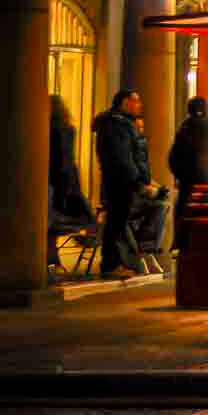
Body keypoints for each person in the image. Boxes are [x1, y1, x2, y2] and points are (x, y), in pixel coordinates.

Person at [92, 89, 153, 279]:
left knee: (118, 221)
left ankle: (118, 262)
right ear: (125, 103)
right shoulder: (116, 125)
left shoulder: (122, 124)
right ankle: (111, 264)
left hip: (122, 180)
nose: (140, 105)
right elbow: (123, 157)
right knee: (116, 223)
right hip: (120, 182)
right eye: (137, 101)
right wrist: (137, 181)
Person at [167, 96, 208, 251]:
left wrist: (182, 175)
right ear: (207, 110)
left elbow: (173, 160)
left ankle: (184, 246)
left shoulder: (184, 131)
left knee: (188, 221)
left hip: (191, 186)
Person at [46, 95, 95, 271]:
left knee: (49, 222)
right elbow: (67, 160)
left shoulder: (54, 130)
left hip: (54, 180)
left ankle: (52, 260)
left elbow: (62, 160)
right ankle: (53, 260)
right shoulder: (66, 129)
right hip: (62, 180)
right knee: (51, 222)